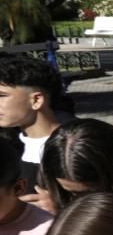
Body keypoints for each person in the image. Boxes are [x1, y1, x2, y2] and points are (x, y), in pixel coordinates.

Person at [0, 55, 75, 200]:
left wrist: (60, 209)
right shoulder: (6, 145)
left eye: (1, 96)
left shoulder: (77, 144)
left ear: (36, 100)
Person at [36, 118, 113, 216]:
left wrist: (61, 216)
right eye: (72, 193)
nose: (81, 200)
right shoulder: (49, 194)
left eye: (91, 192)